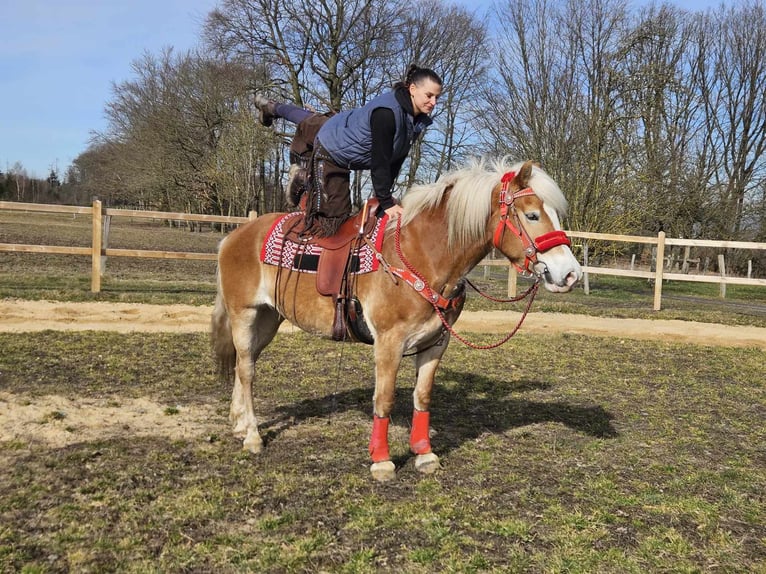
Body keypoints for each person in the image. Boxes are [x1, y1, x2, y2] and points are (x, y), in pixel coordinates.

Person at [255, 64, 443, 237]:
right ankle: (305, 178)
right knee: (333, 224)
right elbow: (381, 161)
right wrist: (386, 202)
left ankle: (272, 107)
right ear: (412, 89)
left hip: (339, 124)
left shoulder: (414, 121)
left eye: (437, 97)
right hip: (333, 151)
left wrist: (384, 198)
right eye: (429, 95)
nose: (433, 102)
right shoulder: (387, 114)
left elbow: (396, 158)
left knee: (308, 119)